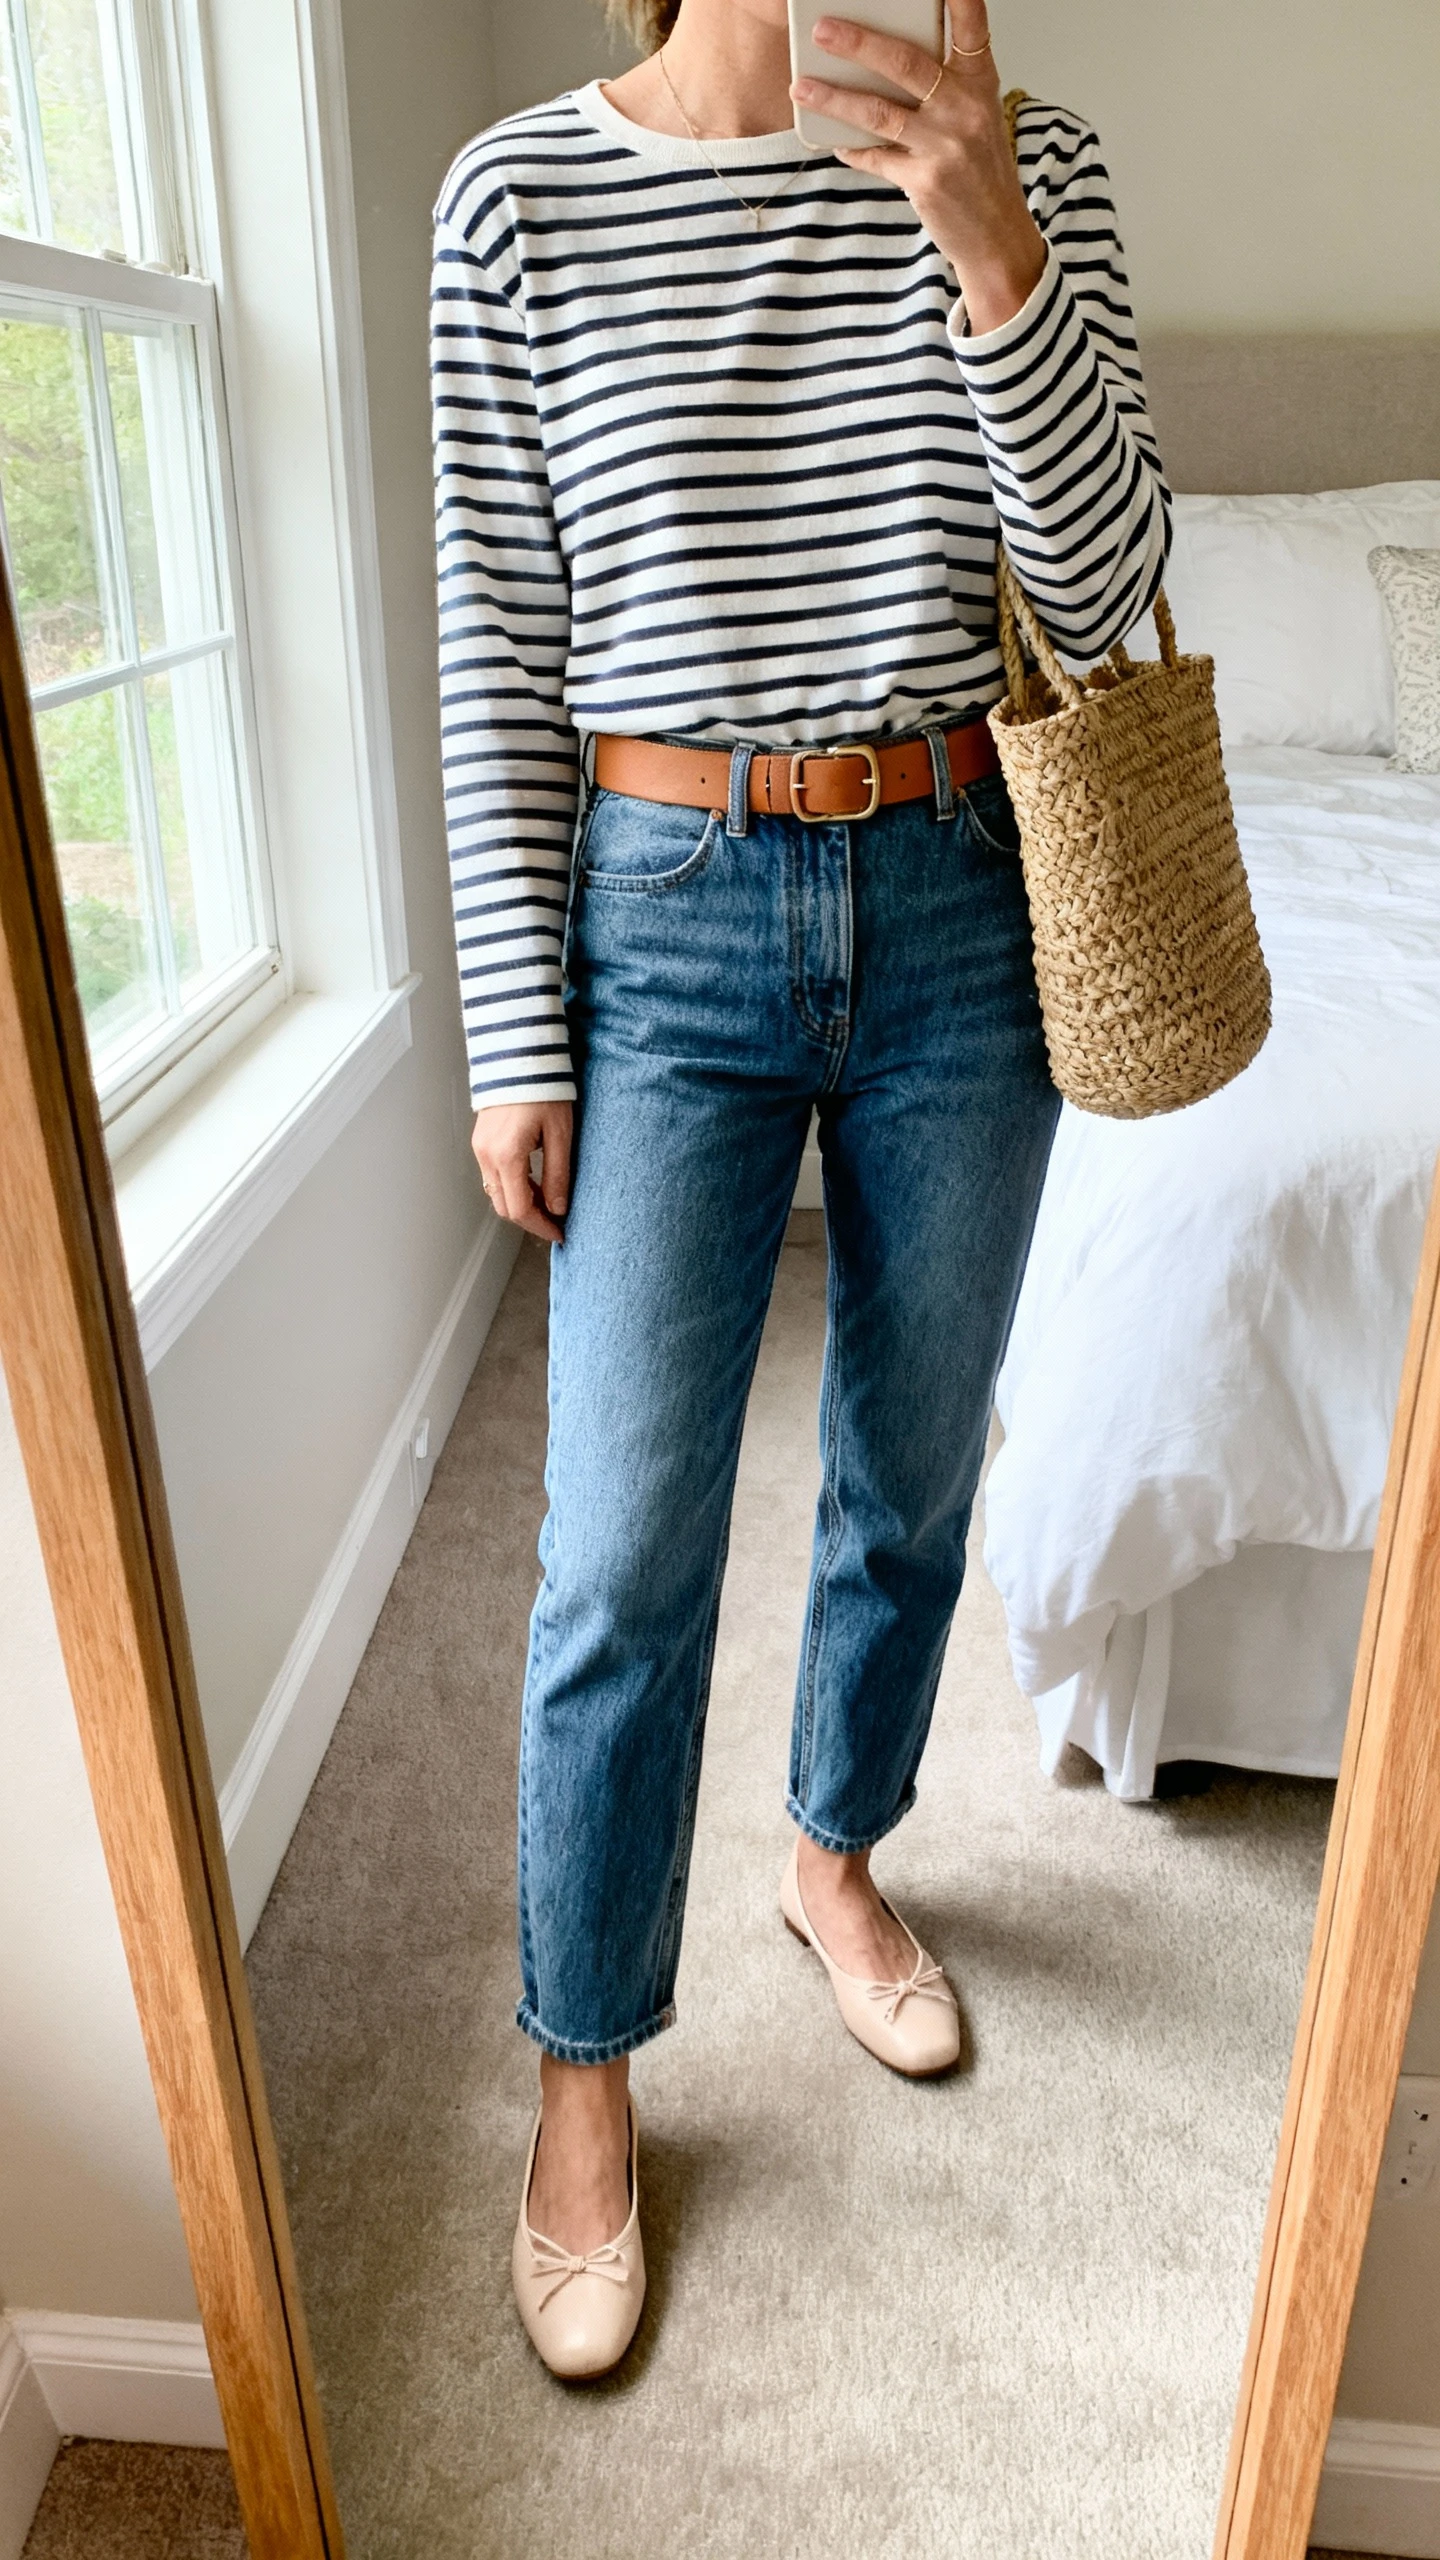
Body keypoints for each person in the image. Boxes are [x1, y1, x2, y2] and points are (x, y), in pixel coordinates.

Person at [430, 0, 1168, 2379]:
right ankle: (582, 2064)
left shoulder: (1029, 160)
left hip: (969, 892)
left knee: (912, 1468)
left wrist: (987, 244)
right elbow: (499, 655)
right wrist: (515, 1033)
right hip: (660, 910)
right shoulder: (514, 203)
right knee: (622, 1550)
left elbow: (1119, 569)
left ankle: (833, 1854)